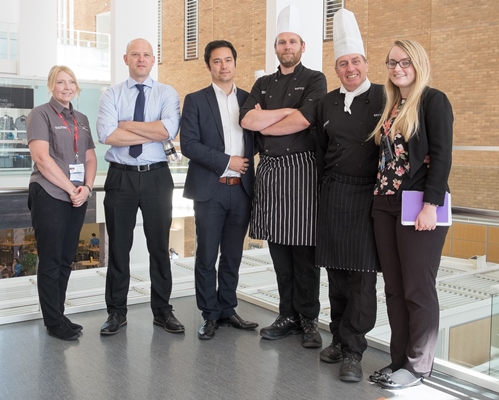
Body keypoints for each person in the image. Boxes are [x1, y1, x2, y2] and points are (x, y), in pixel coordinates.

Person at [240, 5, 327, 348]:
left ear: (302, 46)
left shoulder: (316, 79)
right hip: (271, 172)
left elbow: (305, 120)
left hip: (303, 171)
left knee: (305, 256)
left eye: (292, 42)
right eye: (281, 42)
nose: (287, 47)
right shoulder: (262, 83)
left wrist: (269, 121)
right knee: (279, 255)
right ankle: (286, 316)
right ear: (275, 47)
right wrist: (288, 112)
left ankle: (309, 320)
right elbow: (248, 120)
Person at [369, 40, 453, 389]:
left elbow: (442, 156)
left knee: (418, 289)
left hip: (419, 204)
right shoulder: (391, 105)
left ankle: (418, 367)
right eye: (391, 63)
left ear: (418, 64)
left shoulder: (433, 100)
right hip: (385, 203)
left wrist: (431, 205)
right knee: (393, 289)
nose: (397, 68)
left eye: (404, 62)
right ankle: (399, 361)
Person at [97, 38, 184, 336]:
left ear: (153, 60)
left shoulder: (166, 93)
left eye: (146, 54)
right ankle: (116, 312)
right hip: (120, 177)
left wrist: (125, 125)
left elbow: (168, 130)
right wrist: (150, 130)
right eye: (135, 54)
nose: (141, 59)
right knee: (119, 248)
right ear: (126, 59)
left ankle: (162, 311)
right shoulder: (111, 94)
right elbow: (107, 135)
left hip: (156, 177)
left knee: (159, 247)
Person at [314, 9, 383, 382]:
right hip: (333, 195)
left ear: (366, 64)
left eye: (356, 61)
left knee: (361, 279)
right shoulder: (326, 103)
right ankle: (339, 339)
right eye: (343, 63)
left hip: (367, 197)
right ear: (336, 69)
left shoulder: (384, 97)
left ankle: (354, 351)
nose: (350, 68)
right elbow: (320, 150)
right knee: (336, 274)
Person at [181, 40, 258, 340]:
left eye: (228, 60)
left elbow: (257, 139)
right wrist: (228, 161)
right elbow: (189, 145)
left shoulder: (249, 99)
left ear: (235, 63)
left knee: (233, 255)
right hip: (210, 190)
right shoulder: (195, 100)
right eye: (217, 61)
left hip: (241, 190)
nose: (223, 66)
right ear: (208, 65)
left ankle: (227, 308)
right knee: (206, 255)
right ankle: (209, 314)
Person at [27, 65, 97, 340]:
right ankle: (53, 322)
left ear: (76, 87)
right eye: (60, 82)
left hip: (77, 196)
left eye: (71, 82)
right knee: (51, 259)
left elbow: (90, 157)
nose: (67, 87)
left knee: (67, 258)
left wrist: (87, 188)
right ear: (51, 86)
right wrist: (71, 189)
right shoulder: (40, 114)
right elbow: (41, 158)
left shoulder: (81, 118)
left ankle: (59, 314)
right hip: (50, 194)